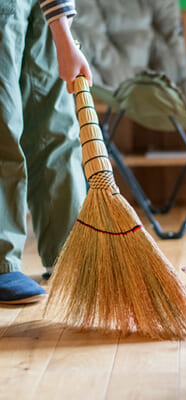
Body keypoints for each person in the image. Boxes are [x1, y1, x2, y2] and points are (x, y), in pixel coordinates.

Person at [0, 0, 92, 304]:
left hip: (41, 8)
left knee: (56, 128)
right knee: (3, 128)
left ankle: (67, 251)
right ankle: (3, 264)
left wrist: (62, 28)